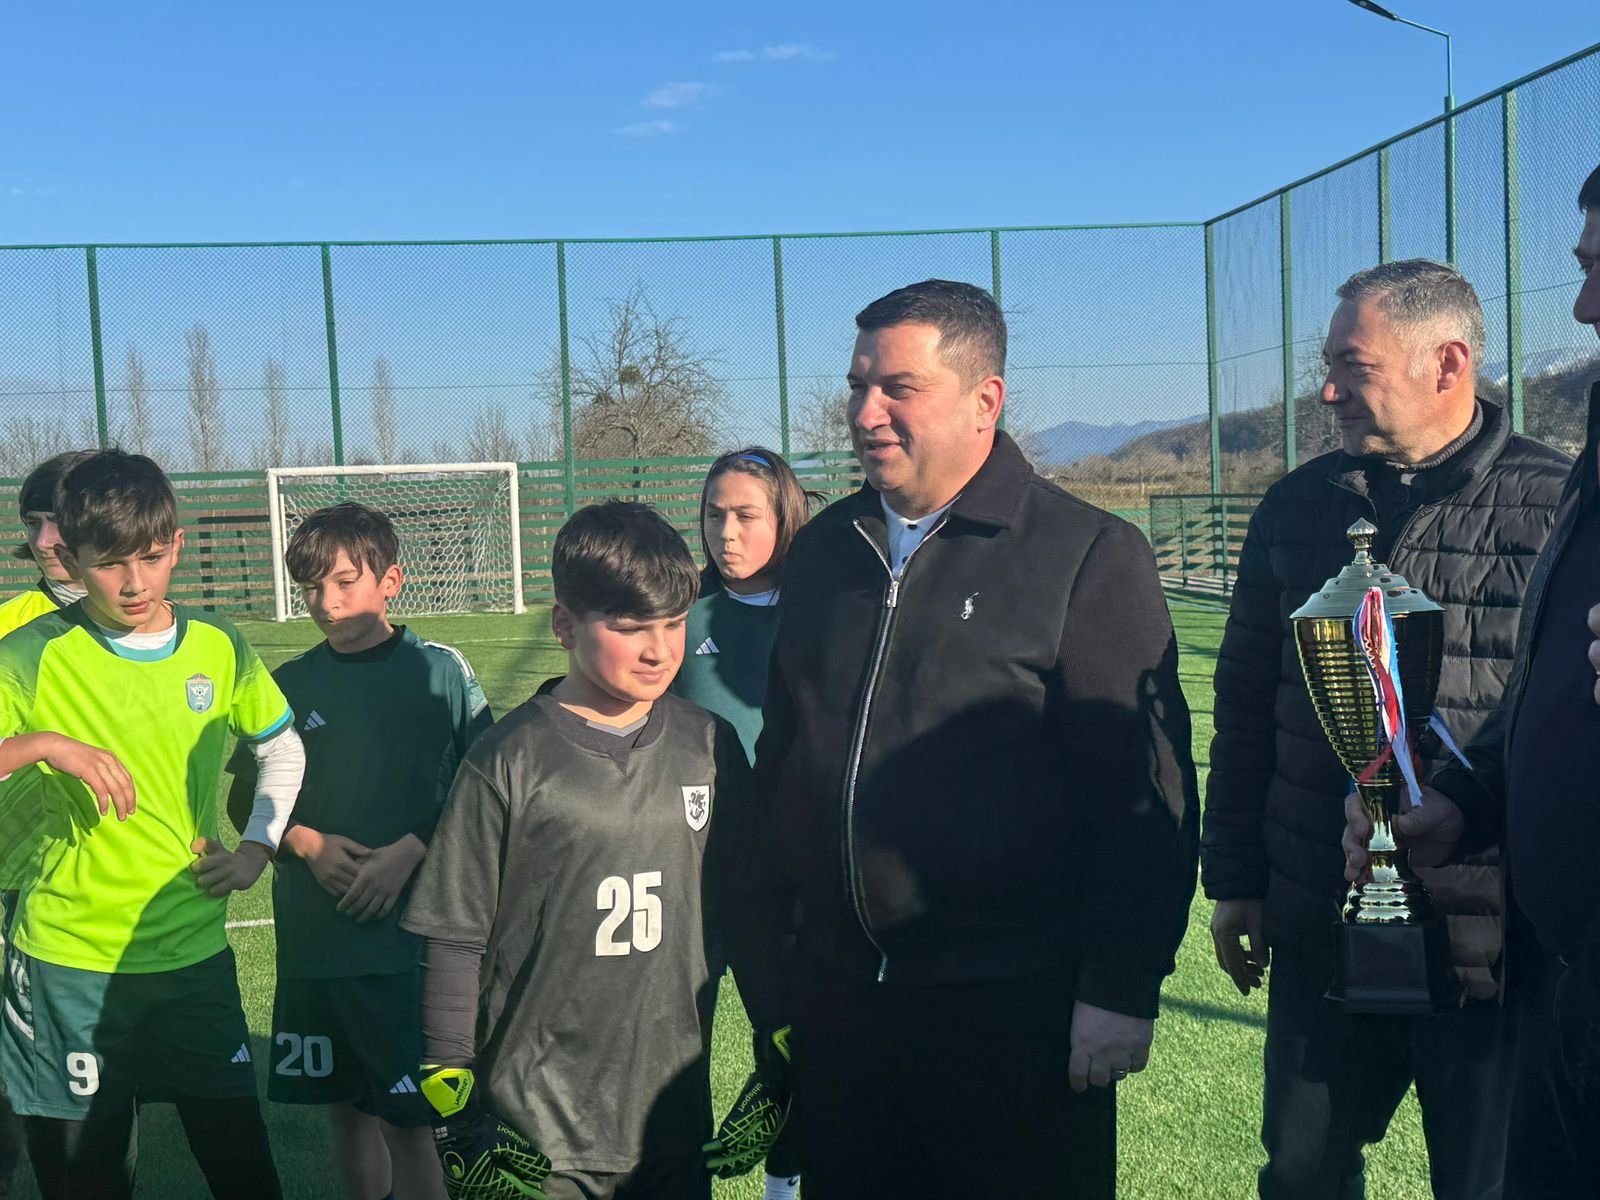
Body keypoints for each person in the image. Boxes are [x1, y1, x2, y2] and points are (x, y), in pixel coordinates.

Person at [749, 279, 1199, 1199]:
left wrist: (1120, 987)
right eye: (857, 386)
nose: (865, 413)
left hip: (1015, 1013)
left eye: (898, 388)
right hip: (840, 1005)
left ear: (984, 400)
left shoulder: (1086, 556)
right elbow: (784, 754)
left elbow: (1140, 797)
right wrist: (781, 947)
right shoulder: (825, 551)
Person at [1205, 259, 1570, 1198]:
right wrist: (1236, 879)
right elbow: (1245, 703)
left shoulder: (1559, 506)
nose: (1327, 392)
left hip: (1489, 938)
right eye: (1327, 365)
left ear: (1447, 363)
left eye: (1352, 366)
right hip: (1320, 917)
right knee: (1302, 1174)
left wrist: (1468, 813)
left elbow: (1567, 732)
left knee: (1490, 1182)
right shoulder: (1297, 507)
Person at [1345, 163, 1600, 1195]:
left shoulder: (1542, 482)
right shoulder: (1596, 459)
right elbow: (1548, 689)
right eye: (1584, 269)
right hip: (1562, 972)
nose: (1583, 307)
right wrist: (1469, 799)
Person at [400, 500, 776, 1200]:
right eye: (631, 628)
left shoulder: (709, 746)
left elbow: (751, 909)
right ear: (566, 625)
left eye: (673, 624)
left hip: (671, 1117)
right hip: (536, 1134)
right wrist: (452, 1114)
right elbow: (453, 939)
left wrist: (777, 1042)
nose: (659, 650)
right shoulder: (508, 760)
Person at [0, 448, 304, 1200]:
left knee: (244, 1170)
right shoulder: (30, 652)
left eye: (152, 557)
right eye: (109, 564)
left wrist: (257, 848)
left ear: (176, 544)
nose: (135, 583)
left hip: (193, 955)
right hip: (72, 959)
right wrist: (44, 745)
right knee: (90, 1177)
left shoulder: (217, 644)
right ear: (70, 558)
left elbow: (281, 747)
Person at [226, 502, 494, 1200]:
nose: (327, 602)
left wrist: (413, 850)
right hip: (318, 940)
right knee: (345, 1113)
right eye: (312, 587)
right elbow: (244, 800)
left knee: (413, 1120)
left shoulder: (440, 672)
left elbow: (487, 789)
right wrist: (306, 844)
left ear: (391, 580)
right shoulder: (289, 684)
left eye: (345, 582)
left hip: (410, 942)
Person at [669, 446, 812, 1200]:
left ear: (785, 517)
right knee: (669, 1053)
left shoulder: (824, 610)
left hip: (790, 873)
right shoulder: (680, 616)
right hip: (688, 871)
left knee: (790, 1044)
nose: (726, 532)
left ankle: (784, 1187)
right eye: (714, 514)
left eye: (746, 515)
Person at [0, 451, 93, 1195]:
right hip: (19, 879)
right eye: (34, 522)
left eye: (58, 519)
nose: (46, 539)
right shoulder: (9, 628)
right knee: (24, 1067)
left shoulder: (168, 628)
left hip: (126, 884)